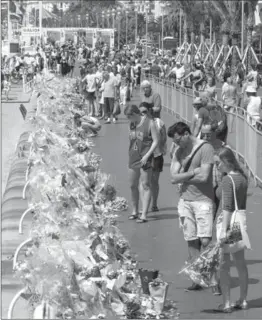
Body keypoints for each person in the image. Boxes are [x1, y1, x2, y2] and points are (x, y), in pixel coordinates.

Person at [168, 122, 215, 291]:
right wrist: (192, 173)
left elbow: (204, 177)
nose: (177, 143)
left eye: (179, 139)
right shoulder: (179, 151)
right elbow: (173, 177)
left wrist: (183, 177)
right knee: (191, 239)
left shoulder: (205, 148)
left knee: (205, 239)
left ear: (187, 134)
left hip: (203, 199)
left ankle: (210, 273)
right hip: (185, 200)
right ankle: (197, 277)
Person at [215, 147, 250, 313]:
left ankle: (227, 302)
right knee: (240, 263)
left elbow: (227, 206)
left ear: (226, 162)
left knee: (224, 265)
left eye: (218, 163)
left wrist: (223, 230)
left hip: (227, 222)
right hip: (239, 223)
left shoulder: (227, 180)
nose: (217, 166)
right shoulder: (242, 178)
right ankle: (243, 299)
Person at [125, 104, 159, 223]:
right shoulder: (132, 124)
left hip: (145, 157)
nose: (128, 120)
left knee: (145, 185)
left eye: (129, 117)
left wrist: (147, 155)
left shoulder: (150, 123)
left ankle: (144, 214)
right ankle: (135, 210)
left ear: (135, 114)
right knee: (132, 185)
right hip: (133, 156)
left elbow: (156, 141)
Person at [139, 102, 167, 212]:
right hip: (143, 156)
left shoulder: (159, 122)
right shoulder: (139, 123)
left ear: (150, 111)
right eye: (140, 113)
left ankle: (154, 204)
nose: (143, 115)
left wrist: (159, 146)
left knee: (154, 181)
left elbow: (163, 138)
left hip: (156, 155)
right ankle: (144, 206)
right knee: (144, 182)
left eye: (145, 112)